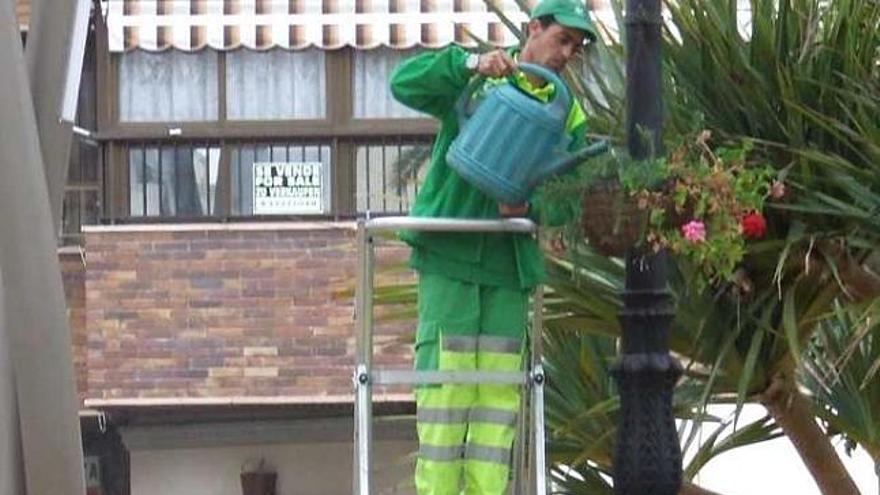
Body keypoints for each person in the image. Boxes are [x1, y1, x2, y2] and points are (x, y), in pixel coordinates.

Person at [389, 1, 598, 493]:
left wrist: (529, 205)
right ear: (534, 29)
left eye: (576, 45)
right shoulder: (482, 77)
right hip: (450, 256)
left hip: (508, 268)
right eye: (562, 38)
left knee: (496, 407)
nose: (567, 53)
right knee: (446, 396)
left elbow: (571, 195)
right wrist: (468, 62)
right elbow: (405, 83)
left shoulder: (568, 111)